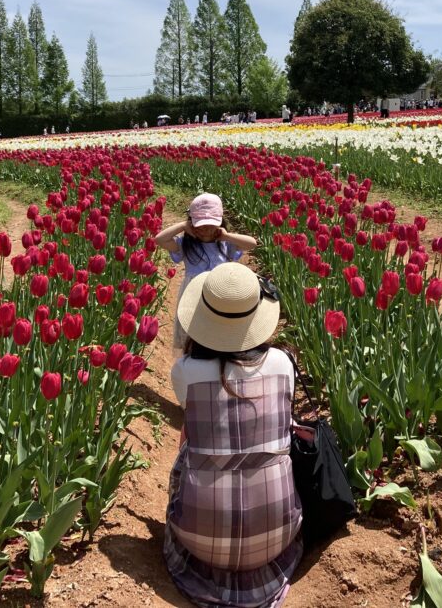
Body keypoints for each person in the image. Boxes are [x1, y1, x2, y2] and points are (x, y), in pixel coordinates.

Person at [165, 263, 302, 607]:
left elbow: (193, 430)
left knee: (191, 444)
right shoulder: (283, 363)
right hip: (276, 537)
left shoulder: (185, 371)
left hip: (199, 541)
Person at [155, 193, 258, 350]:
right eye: (200, 224)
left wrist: (227, 236)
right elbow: (159, 239)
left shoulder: (225, 244)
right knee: (195, 331)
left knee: (218, 328)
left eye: (211, 224)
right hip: (194, 296)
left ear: (220, 222)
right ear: (191, 223)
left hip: (219, 295)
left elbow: (252, 244)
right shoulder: (185, 245)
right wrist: (182, 226)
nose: (205, 229)